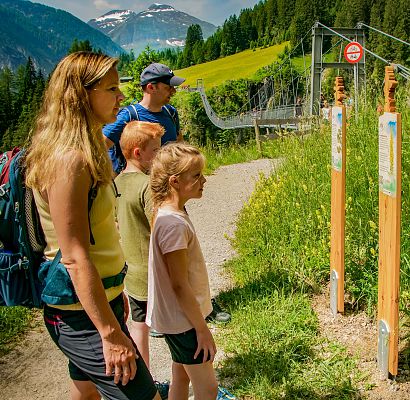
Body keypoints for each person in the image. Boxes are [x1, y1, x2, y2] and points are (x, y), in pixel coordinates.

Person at [25, 52, 161, 400]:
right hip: (79, 315)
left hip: (98, 302)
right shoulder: (69, 160)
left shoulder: (90, 148)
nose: (121, 97)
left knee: (85, 392)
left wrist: (114, 296)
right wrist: (109, 331)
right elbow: (73, 255)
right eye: (111, 88)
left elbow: (100, 234)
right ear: (80, 95)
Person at [146, 143, 236, 400]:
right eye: (196, 176)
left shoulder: (167, 213)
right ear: (175, 181)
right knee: (207, 389)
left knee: (181, 376)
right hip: (184, 322)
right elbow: (179, 284)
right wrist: (202, 329)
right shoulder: (172, 223)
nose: (204, 180)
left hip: (176, 320)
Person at [114, 120, 169, 397]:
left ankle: (146, 385)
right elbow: (161, 227)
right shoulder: (148, 185)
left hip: (132, 274)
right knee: (174, 328)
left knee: (139, 329)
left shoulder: (115, 184)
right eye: (155, 150)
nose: (159, 156)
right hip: (154, 272)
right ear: (138, 153)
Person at [103, 63, 185, 175]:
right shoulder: (128, 116)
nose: (173, 91)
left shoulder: (171, 112)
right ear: (151, 87)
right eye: (168, 87)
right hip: (137, 187)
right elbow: (100, 146)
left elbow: (179, 144)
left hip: (167, 185)